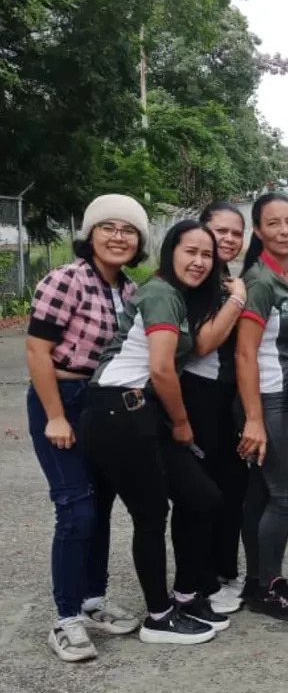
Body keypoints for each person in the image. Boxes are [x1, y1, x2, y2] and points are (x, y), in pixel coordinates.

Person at [82, 219, 226, 645]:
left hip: (142, 412)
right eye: (190, 252)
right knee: (151, 516)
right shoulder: (162, 293)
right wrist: (182, 424)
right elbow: (162, 368)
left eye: (207, 255)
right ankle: (159, 617)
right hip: (118, 411)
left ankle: (184, 595)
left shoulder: (175, 296)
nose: (199, 262)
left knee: (203, 497)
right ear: (170, 253)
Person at [26, 194, 147, 661]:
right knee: (75, 508)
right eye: (108, 227)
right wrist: (55, 414)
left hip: (104, 403)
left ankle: (93, 599)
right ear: (90, 234)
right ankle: (65, 617)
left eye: (128, 231)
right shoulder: (66, 280)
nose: (118, 237)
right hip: (62, 397)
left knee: (100, 505)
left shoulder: (128, 291)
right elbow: (38, 352)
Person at [235, 192, 288, 621]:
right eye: (274, 224)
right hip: (265, 397)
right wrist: (253, 418)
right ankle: (265, 587)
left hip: (282, 394)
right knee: (287, 494)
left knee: (264, 494)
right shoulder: (260, 282)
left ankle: (263, 578)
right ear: (259, 231)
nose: (285, 230)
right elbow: (245, 354)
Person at [180, 202, 250, 615]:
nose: (227, 239)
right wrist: (237, 301)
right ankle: (196, 580)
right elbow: (203, 343)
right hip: (196, 396)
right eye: (218, 231)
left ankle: (225, 571)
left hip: (228, 398)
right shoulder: (189, 283)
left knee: (233, 488)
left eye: (234, 233)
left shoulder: (227, 279)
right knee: (200, 491)